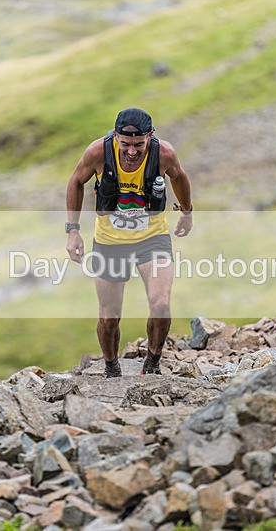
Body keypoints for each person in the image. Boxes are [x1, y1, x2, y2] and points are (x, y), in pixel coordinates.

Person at [66, 108, 193, 377]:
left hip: (152, 238)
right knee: (109, 316)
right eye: (125, 144)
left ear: (151, 136)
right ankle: (111, 367)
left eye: (139, 144)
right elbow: (76, 181)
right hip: (110, 243)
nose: (132, 151)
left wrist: (187, 212)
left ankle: (153, 364)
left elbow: (179, 177)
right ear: (115, 136)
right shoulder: (98, 152)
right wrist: (73, 231)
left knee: (160, 304)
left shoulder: (164, 154)